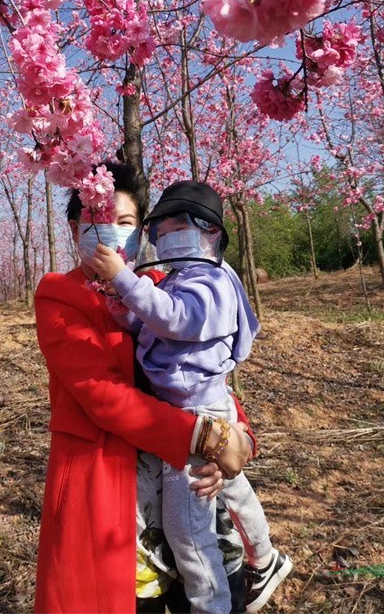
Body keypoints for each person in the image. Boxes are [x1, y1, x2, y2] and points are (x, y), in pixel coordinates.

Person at [33, 163, 256, 614]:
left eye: (126, 222)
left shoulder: (163, 287)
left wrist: (240, 440)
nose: (113, 233)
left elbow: (204, 373)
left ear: (141, 233)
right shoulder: (59, 295)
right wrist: (205, 438)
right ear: (76, 228)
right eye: (99, 220)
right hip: (110, 495)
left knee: (211, 590)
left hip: (185, 488)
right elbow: (105, 398)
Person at [86, 180, 293, 614]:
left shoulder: (212, 280)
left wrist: (123, 279)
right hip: (193, 409)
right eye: (163, 223)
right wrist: (121, 301)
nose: (168, 231)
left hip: (193, 412)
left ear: (208, 231)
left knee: (188, 530)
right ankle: (265, 557)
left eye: (174, 222)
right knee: (235, 492)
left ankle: (212, 604)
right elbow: (151, 330)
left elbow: (177, 320)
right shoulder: (184, 277)